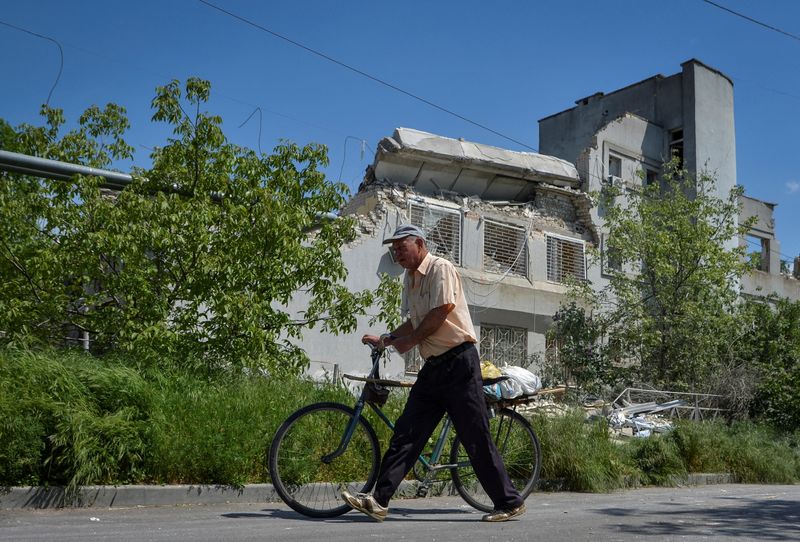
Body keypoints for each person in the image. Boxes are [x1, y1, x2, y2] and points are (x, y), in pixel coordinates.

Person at [342, 223, 526, 523]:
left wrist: (408, 344)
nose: (398, 253)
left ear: (420, 244)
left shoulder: (441, 268)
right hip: (434, 368)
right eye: (395, 248)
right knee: (407, 432)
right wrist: (387, 338)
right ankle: (379, 500)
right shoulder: (410, 278)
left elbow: (440, 313)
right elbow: (415, 323)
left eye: (402, 247)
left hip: (459, 363)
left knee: (475, 436)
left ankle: (509, 501)